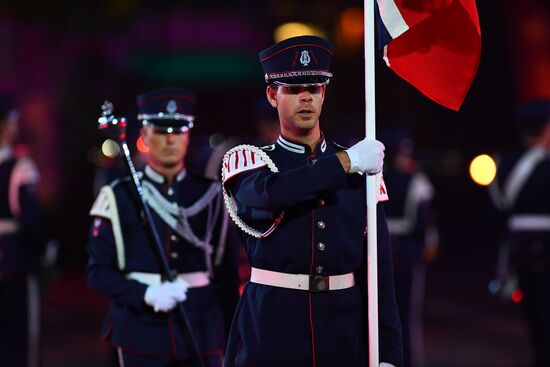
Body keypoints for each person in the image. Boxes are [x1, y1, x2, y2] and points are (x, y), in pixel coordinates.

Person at [221, 35, 403, 367]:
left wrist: (388, 354)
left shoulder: (360, 167)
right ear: (272, 95)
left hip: (343, 334)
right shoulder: (250, 162)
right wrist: (345, 163)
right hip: (272, 334)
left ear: (324, 93)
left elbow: (380, 272)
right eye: (292, 89)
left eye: (315, 87)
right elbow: (269, 194)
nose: (305, 96)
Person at [86, 87, 239, 367]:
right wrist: (144, 293)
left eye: (179, 130)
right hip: (140, 332)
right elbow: (97, 273)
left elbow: (225, 276)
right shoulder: (119, 195)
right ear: (144, 136)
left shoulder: (211, 194)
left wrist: (230, 335)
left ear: (188, 134)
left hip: (202, 330)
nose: (170, 139)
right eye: (160, 130)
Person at [489, 99, 550, 367]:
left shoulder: (504, 163)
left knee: (535, 317)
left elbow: (495, 211)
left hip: (519, 248)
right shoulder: (545, 164)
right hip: (546, 247)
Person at [382, 130, 438, 367]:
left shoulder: (375, 179)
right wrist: (430, 241)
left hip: (381, 249)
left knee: (383, 311)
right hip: (407, 249)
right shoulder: (416, 180)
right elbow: (425, 218)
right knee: (407, 314)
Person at [0, 93, 45, 367]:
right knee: (19, 341)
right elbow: (30, 221)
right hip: (13, 263)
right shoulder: (19, 168)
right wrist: (41, 253)